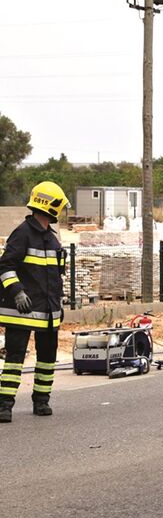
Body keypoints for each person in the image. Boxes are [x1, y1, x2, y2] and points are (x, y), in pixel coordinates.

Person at [0, 181, 69, 423]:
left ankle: (41, 401)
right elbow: (5, 266)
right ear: (51, 206)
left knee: (48, 358)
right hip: (22, 311)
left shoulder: (52, 238)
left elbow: (54, 277)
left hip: (48, 311)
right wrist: (17, 292)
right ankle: (4, 406)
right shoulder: (23, 233)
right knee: (15, 358)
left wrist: (59, 305)